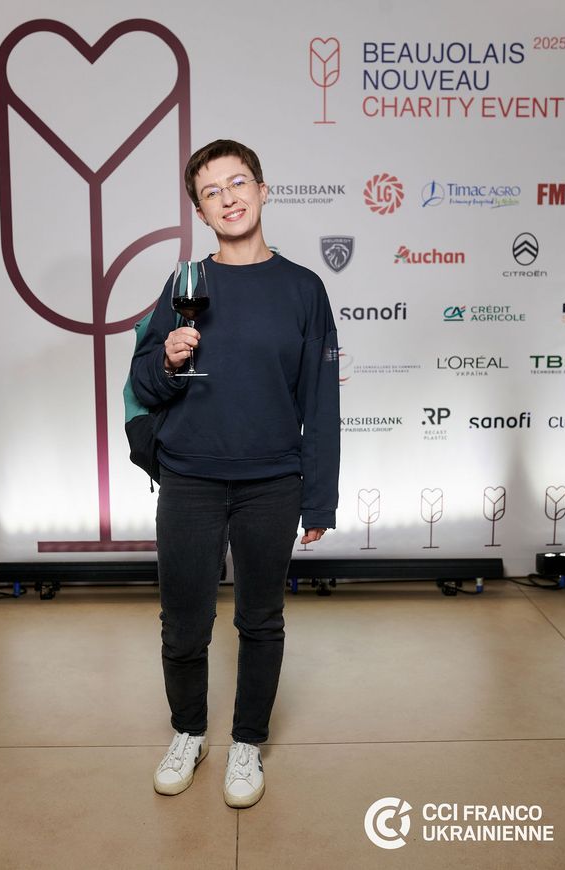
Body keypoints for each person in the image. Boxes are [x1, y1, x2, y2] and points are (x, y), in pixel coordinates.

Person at [130, 139, 340, 808]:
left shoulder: (303, 289)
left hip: (272, 481)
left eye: (239, 181)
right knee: (183, 623)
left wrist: (319, 498)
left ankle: (247, 741)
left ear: (263, 189)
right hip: (189, 476)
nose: (228, 197)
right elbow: (145, 384)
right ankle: (189, 732)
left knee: (261, 619)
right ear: (200, 211)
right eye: (212, 191)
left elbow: (320, 402)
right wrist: (167, 357)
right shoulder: (185, 285)